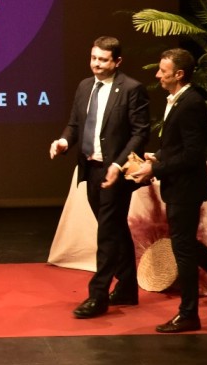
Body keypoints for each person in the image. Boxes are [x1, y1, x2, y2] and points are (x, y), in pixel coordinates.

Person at [130, 48, 207, 333]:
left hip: (186, 188)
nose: (158, 75)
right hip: (179, 185)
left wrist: (155, 170)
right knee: (185, 244)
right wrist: (158, 157)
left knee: (182, 249)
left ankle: (188, 314)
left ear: (179, 74)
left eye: (163, 70)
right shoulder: (177, 100)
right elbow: (179, 146)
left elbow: (194, 154)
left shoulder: (191, 103)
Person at [49, 36, 150, 318]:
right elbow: (74, 124)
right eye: (93, 58)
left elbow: (141, 132)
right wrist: (64, 142)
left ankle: (98, 296)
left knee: (107, 234)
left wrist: (118, 165)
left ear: (117, 61)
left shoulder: (131, 89)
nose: (96, 64)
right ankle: (128, 287)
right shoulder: (84, 86)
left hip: (115, 173)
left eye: (103, 59)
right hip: (91, 169)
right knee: (115, 229)